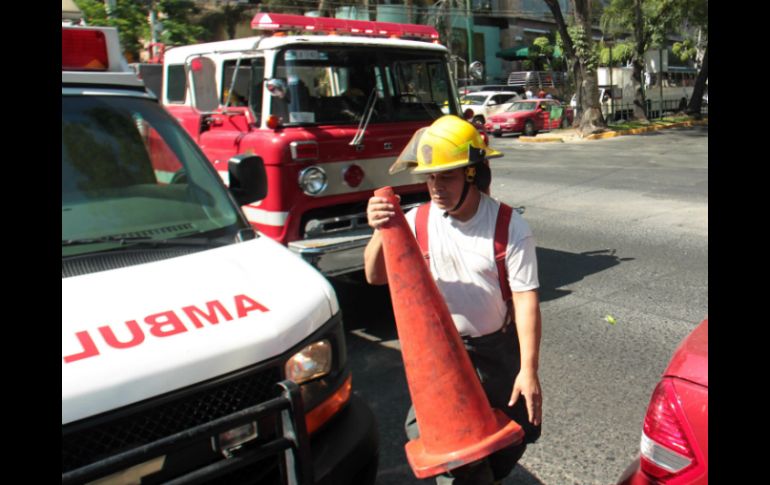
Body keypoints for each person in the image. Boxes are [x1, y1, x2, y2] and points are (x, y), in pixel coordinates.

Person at [364, 115, 543, 485]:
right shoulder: (417, 220)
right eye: (430, 177)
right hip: (442, 357)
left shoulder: (508, 226)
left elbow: (526, 301)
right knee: (455, 457)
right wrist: (381, 229)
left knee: (513, 436)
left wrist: (528, 370)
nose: (435, 187)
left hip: (496, 354)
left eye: (446, 176)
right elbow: (375, 276)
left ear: (472, 175)